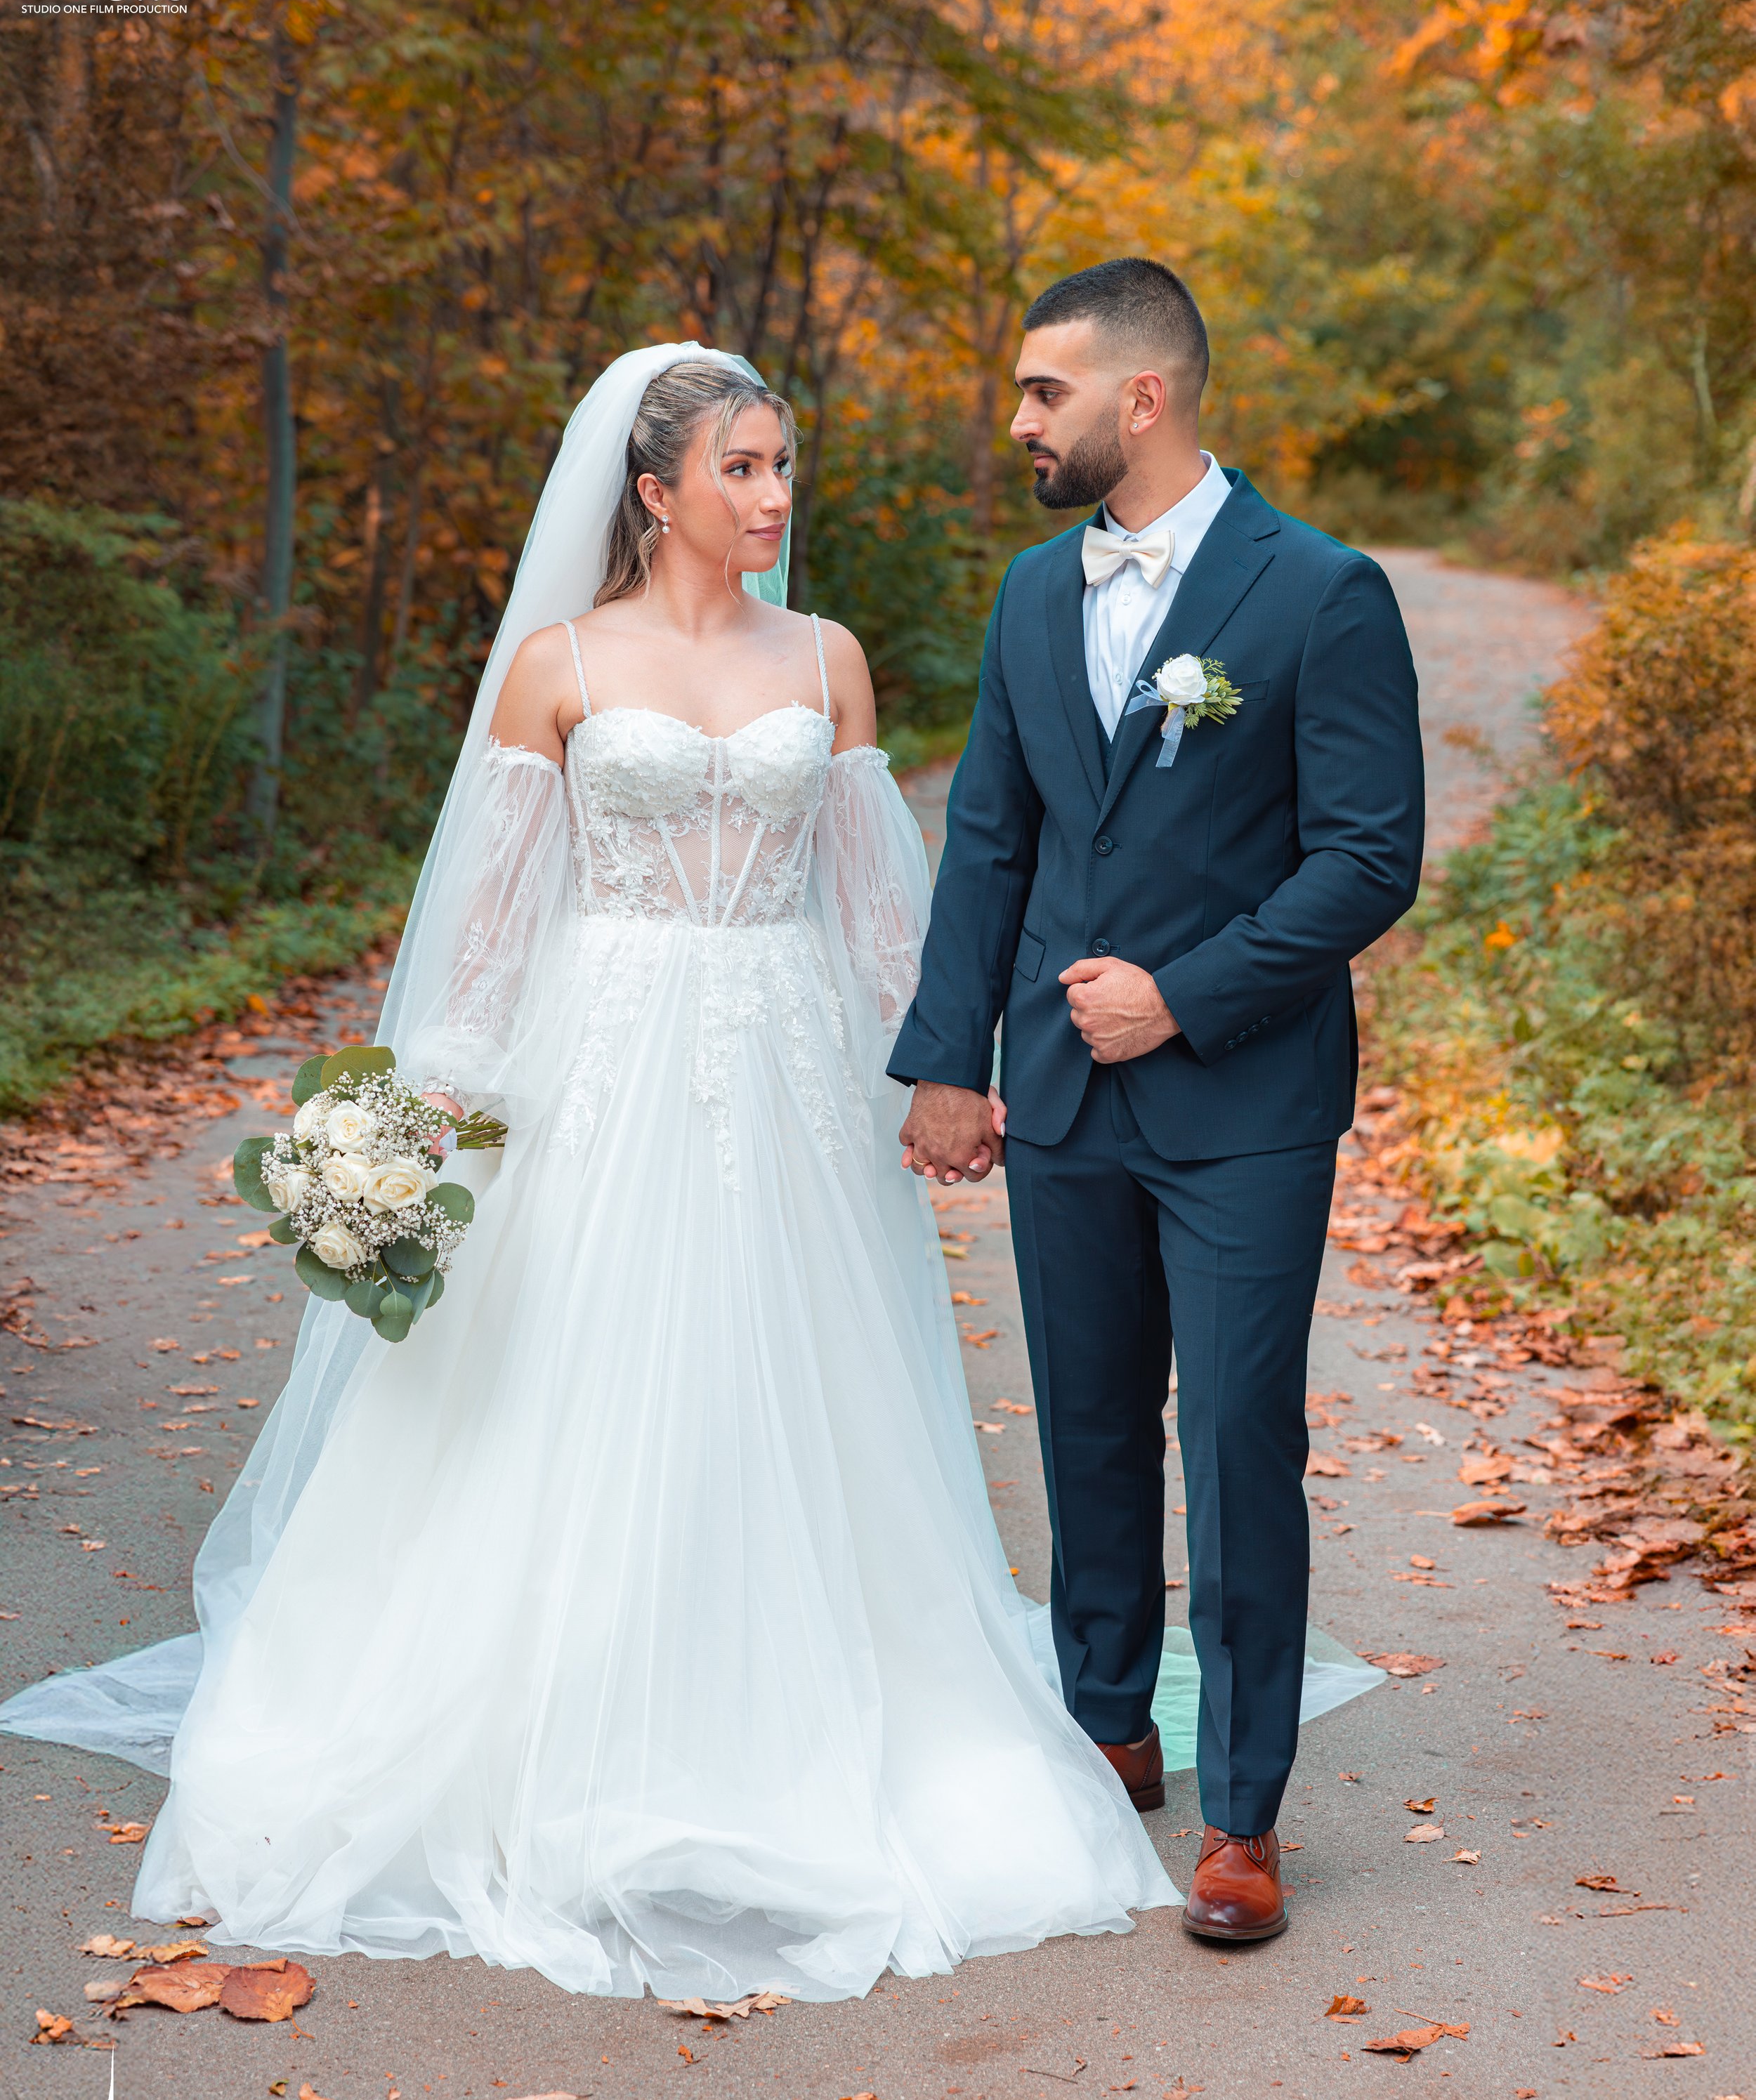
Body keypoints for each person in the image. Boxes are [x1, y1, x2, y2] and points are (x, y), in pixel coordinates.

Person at [0, 346, 1177, 2001]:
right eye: (741, 469)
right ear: (652, 491)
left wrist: (939, 1074)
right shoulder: (555, 665)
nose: (773, 497)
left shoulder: (825, 658)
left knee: (784, 1379)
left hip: (780, 1069)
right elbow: (486, 933)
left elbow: (875, 913)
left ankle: (792, 1708)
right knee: (577, 1373)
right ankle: (549, 1721)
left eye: (781, 466)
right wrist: (419, 1120)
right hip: (597, 1062)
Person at [890, 261, 1424, 1943]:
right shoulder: (1027, 595)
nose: (1017, 420)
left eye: (1041, 390)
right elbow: (991, 839)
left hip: (1243, 1097)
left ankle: (1243, 1813)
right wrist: (946, 1059)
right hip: (1058, 1093)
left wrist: (1180, 995)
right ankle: (1106, 1725)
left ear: (1142, 397)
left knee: (1238, 1436)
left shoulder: (1320, 592)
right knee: (1088, 1423)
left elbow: (1368, 859)